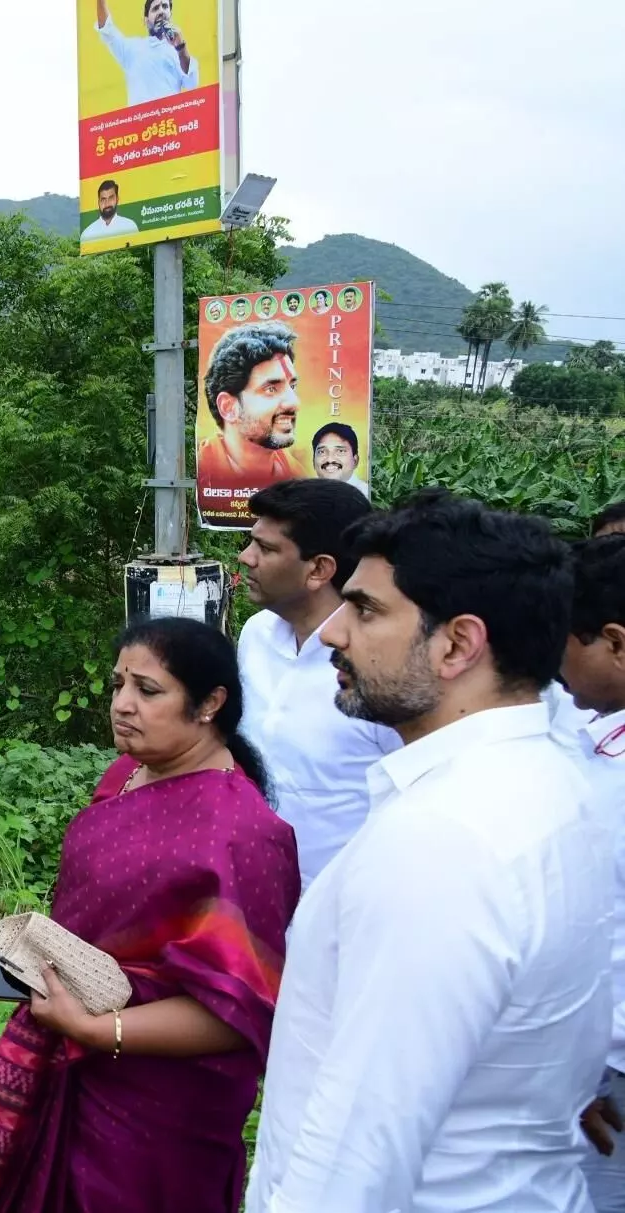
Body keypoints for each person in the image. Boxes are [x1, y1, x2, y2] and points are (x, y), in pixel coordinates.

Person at [249, 489, 608, 1213]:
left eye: (368, 609)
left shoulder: (446, 841)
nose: (333, 635)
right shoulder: (560, 781)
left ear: (457, 643)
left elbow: (358, 1151)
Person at [0, 617, 298, 1213]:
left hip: (162, 1101)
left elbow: (240, 1011)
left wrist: (98, 1031)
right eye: (118, 685)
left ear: (210, 703)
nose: (122, 705)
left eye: (147, 691)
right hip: (66, 1050)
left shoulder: (242, 834)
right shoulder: (125, 777)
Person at [237, 479, 400, 891]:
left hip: (344, 911)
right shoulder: (256, 636)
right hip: (251, 898)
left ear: (319, 569)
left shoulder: (379, 666)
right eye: (251, 542)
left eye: (267, 549)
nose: (246, 557)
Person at [557, 536, 625, 1211]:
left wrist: (578, 1069)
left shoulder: (606, 771)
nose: (557, 664)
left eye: (565, 642)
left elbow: (595, 928)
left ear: (615, 641)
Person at [197, 322, 308, 509]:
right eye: (271, 388)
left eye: (292, 386)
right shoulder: (202, 473)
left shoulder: (300, 478)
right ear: (229, 407)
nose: (295, 403)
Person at [93, 0, 198, 106]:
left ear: (171, 14)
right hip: (140, 120)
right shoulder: (132, 48)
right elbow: (107, 29)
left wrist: (181, 48)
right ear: (146, 21)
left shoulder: (180, 52)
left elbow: (192, 84)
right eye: (155, 8)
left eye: (165, 6)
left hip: (168, 121)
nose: (161, 11)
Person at [310, 421, 371, 499]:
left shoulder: (367, 497)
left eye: (340, 451)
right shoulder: (303, 496)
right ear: (313, 461)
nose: (330, 459)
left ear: (355, 461)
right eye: (322, 452)